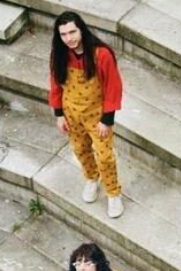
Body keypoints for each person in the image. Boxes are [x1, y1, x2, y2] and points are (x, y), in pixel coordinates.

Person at [49, 11, 124, 218]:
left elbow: (113, 87)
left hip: (96, 116)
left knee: (105, 156)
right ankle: (92, 177)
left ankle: (113, 192)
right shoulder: (59, 55)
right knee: (80, 150)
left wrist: (107, 119)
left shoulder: (101, 54)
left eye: (72, 32)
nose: (69, 38)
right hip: (71, 114)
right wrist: (59, 114)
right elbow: (55, 85)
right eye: (63, 34)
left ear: (81, 30)